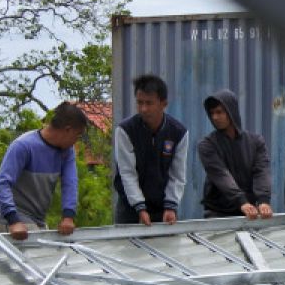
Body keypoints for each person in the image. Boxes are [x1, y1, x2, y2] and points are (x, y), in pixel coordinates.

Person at [0, 101, 88, 241]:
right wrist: (13, 220)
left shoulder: (67, 152)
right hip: (13, 217)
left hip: (37, 218)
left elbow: (70, 183)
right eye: (77, 136)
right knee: (42, 255)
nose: (76, 141)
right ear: (67, 130)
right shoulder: (24, 146)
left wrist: (68, 216)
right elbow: (1, 184)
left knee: (51, 254)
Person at [114, 74, 188, 226]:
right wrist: (139, 207)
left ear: (163, 103)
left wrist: (171, 205)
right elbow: (127, 173)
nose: (143, 109)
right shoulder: (125, 130)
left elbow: (177, 174)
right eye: (139, 103)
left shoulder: (179, 133)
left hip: (164, 209)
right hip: (130, 208)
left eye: (149, 103)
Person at [197, 89, 273, 219]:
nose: (214, 117)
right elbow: (221, 175)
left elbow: (261, 172)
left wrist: (263, 200)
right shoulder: (207, 145)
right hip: (218, 214)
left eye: (219, 112)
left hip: (248, 211)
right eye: (212, 113)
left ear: (231, 111)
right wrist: (241, 201)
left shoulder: (255, 142)